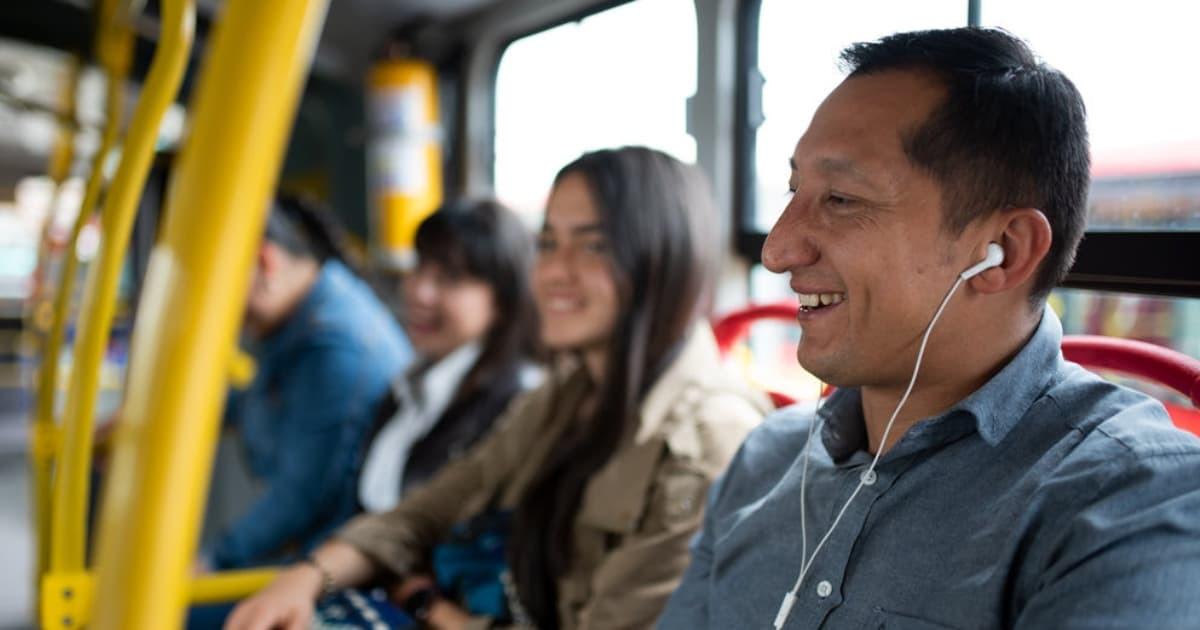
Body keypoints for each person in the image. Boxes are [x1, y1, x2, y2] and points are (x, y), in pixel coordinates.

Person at [659, 28, 1200, 629]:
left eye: (840, 198)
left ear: (1004, 250)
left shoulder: (1130, 503)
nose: (778, 251)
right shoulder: (765, 457)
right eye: (794, 190)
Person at [226, 146, 771, 630]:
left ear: (662, 260)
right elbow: (438, 502)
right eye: (548, 243)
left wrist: (437, 613)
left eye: (593, 247)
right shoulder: (569, 392)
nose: (555, 272)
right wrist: (309, 575)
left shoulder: (706, 439)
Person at [202, 194, 414, 572]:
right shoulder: (302, 323)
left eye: (214, 290)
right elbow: (254, 401)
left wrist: (209, 563)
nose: (217, 312)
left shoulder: (335, 348)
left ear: (265, 262)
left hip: (335, 569)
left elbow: (298, 500)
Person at [356, 199, 540, 515]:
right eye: (418, 267)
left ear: (502, 299)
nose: (419, 292)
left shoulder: (515, 405)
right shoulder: (409, 386)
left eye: (449, 278)